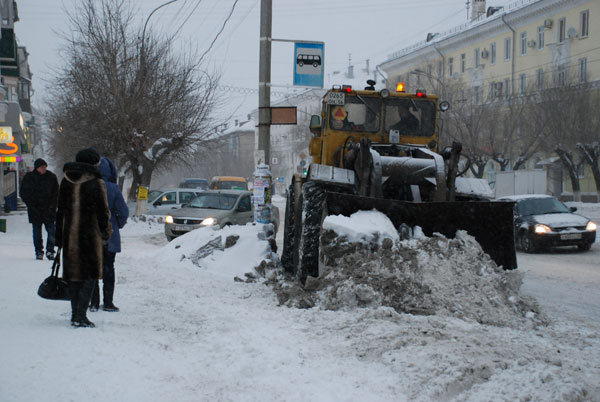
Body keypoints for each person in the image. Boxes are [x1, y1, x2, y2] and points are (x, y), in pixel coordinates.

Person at [55, 148, 112, 328]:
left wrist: (59, 236)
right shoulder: (96, 183)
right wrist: (105, 232)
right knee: (90, 274)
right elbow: (103, 212)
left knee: (73, 275)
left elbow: (60, 211)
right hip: (89, 235)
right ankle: (81, 315)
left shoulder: (66, 181)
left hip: (69, 235)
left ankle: (75, 314)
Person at [90, 157, 129, 312]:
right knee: (108, 268)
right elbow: (124, 212)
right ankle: (108, 302)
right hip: (110, 235)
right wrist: (116, 224)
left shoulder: (89, 186)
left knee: (93, 268)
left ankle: (93, 302)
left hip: (92, 234)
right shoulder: (113, 188)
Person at [20, 158, 59, 260]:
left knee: (51, 231)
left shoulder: (51, 177)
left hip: (48, 210)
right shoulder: (29, 178)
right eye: (42, 167)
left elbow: (56, 193)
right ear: (37, 168)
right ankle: (39, 251)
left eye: (45, 167)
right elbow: (24, 193)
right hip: (35, 210)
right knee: (37, 232)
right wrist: (31, 205)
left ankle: (50, 251)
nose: (44, 169)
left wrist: (53, 206)